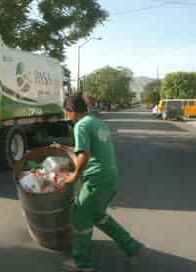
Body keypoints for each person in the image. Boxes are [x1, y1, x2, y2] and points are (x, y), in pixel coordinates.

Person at [57, 95, 142, 272]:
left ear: (72, 111)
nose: (67, 116)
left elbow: (84, 155)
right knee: (98, 215)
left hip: (96, 179)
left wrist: (72, 176)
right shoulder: (97, 123)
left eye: (67, 112)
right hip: (110, 176)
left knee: (80, 215)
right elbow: (88, 149)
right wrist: (64, 149)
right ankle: (131, 245)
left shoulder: (80, 125)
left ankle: (83, 264)